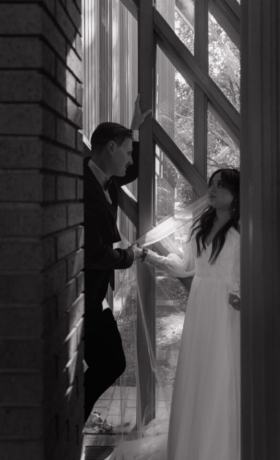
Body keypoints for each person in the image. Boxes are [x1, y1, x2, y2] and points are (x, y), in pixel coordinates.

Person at [108, 168, 240, 460]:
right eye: (211, 184)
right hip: (201, 305)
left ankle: (222, 447)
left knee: (223, 372)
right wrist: (148, 256)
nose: (213, 189)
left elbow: (249, 271)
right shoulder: (200, 227)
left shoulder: (245, 230)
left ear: (236, 193)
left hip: (228, 309)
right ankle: (193, 445)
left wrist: (241, 296)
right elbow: (184, 267)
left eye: (220, 185)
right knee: (198, 370)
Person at [84, 97, 151, 421]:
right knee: (111, 362)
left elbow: (132, 170)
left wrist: (135, 130)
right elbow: (94, 253)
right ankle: (73, 416)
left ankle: (73, 415)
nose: (129, 159)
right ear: (110, 148)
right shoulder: (84, 188)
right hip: (86, 296)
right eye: (125, 150)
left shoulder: (105, 178)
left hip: (95, 295)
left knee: (106, 362)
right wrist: (130, 255)